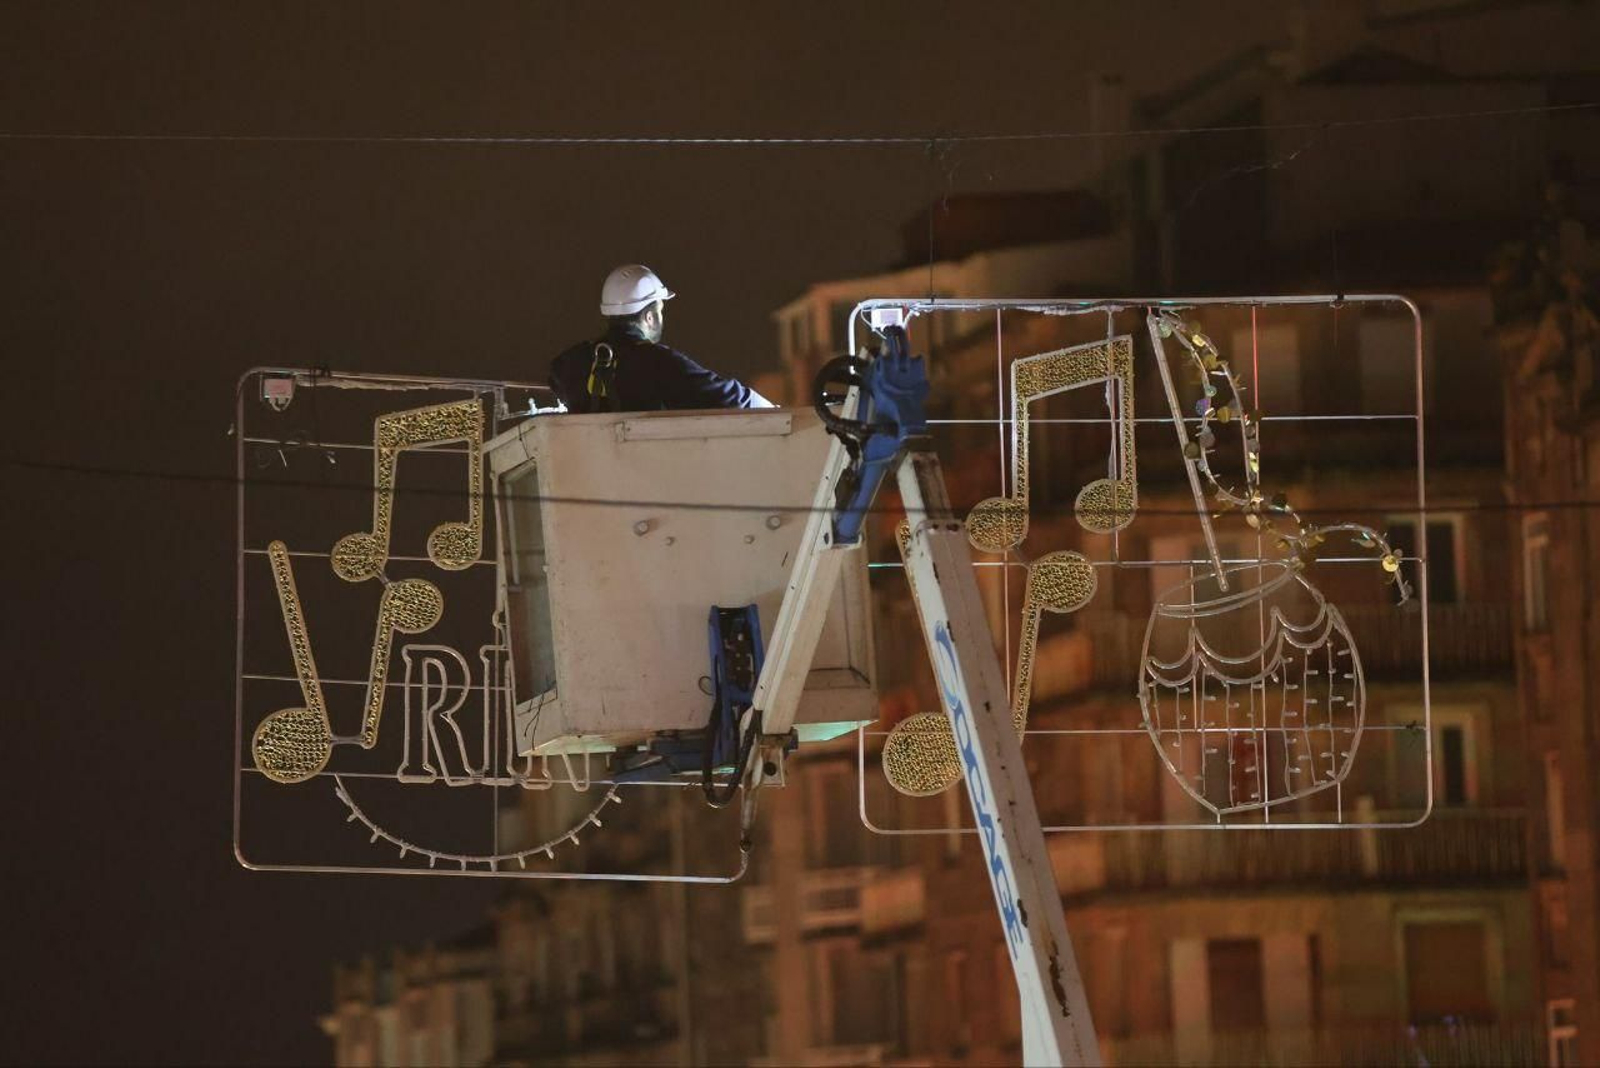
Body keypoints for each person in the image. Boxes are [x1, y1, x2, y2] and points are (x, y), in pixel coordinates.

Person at [550, 265, 773, 413]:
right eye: (660, 310)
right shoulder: (657, 362)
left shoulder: (571, 363)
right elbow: (722, 396)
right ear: (649, 316)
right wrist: (771, 409)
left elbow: (556, 377)